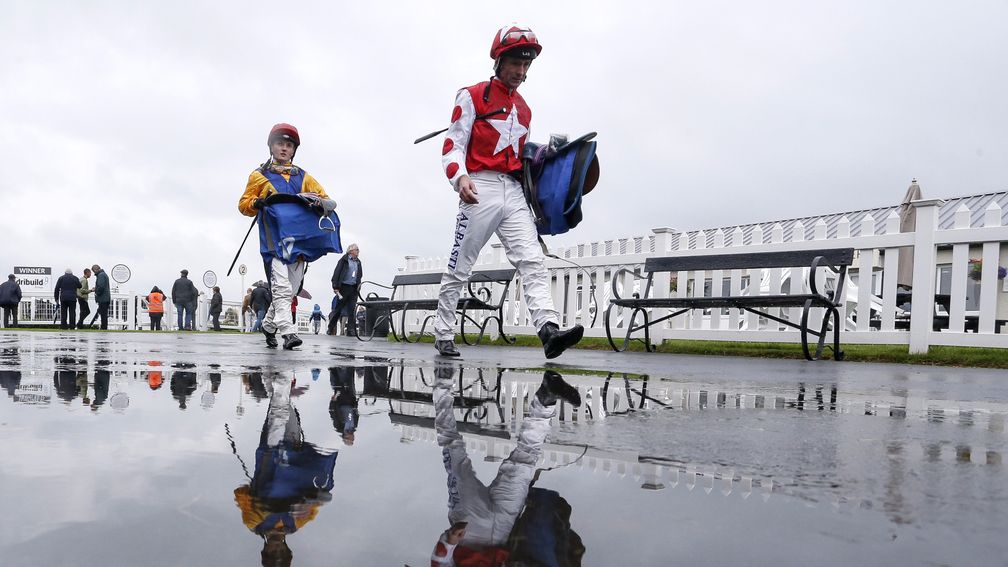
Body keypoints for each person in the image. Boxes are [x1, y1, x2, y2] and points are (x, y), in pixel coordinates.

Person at [433, 25, 583, 359]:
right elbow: (452, 146)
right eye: (515, 62)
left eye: (526, 65)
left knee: (532, 260)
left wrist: (544, 153)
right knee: (461, 265)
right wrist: (460, 178)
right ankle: (443, 332)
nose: (521, 71)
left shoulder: (526, 109)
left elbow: (520, 155)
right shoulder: (471, 95)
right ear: (499, 60)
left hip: (513, 190)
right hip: (479, 185)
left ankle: (549, 332)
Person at [430, 364, 584, 565]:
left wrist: (449, 542)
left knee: (452, 447)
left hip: (469, 528)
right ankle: (546, 397)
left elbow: (438, 564)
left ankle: (442, 382)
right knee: (525, 459)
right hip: (503, 530)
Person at [238, 123, 340, 350]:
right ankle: (288, 331)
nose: (284, 148)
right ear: (271, 147)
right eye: (279, 144)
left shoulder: (305, 177)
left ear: (294, 150)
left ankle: (268, 325)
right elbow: (243, 205)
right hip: (273, 240)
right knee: (282, 288)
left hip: (299, 240)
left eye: (288, 145)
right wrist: (257, 202)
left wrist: (317, 203)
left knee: (291, 290)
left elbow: (328, 200)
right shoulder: (258, 176)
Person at [233, 374, 337, 566]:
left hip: (269, 453)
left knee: (279, 409)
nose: (277, 548)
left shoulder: (254, 523)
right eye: (281, 551)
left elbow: (240, 493)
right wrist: (309, 501)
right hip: (295, 451)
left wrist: (260, 503)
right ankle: (272, 375)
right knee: (285, 405)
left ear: (265, 550)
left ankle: (282, 374)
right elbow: (324, 497)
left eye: (273, 552)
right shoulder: (295, 524)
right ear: (288, 549)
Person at [329, 244, 362, 336]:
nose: (358, 252)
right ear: (350, 251)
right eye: (357, 250)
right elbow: (337, 273)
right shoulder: (343, 260)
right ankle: (331, 327)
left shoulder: (358, 262)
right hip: (343, 287)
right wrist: (335, 286)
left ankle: (351, 330)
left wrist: (359, 285)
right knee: (338, 309)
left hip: (353, 288)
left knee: (351, 310)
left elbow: (359, 275)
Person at [328, 367, 359, 445]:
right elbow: (356, 415)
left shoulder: (339, 427)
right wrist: (355, 405)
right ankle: (350, 367)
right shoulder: (354, 427)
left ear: (346, 437)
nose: (353, 437)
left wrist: (333, 400)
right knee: (350, 382)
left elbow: (333, 414)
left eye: (351, 439)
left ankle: (334, 369)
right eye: (353, 439)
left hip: (341, 402)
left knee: (338, 384)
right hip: (350, 401)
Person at [91, 264, 111, 330]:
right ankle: (104, 327)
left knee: (103, 314)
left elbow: (101, 287)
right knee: (104, 314)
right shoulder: (104, 274)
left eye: (94, 271)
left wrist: (97, 292)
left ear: (96, 269)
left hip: (103, 298)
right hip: (106, 297)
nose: (94, 273)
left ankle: (104, 327)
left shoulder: (101, 275)